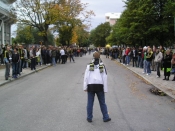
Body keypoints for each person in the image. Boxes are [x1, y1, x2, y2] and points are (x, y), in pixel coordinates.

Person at [83, 52, 111, 123]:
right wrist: (105, 89)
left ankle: (89, 117)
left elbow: (86, 77)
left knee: (90, 102)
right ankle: (105, 117)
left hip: (91, 85)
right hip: (99, 86)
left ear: (93, 57)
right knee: (102, 102)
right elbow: (104, 77)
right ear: (99, 57)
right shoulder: (102, 65)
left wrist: (85, 87)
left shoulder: (89, 65)